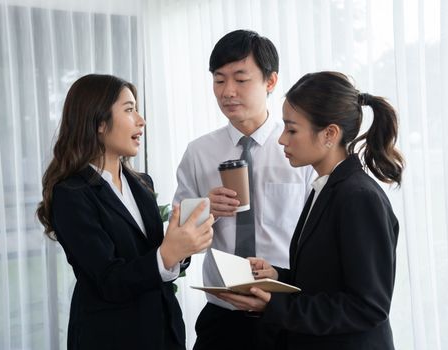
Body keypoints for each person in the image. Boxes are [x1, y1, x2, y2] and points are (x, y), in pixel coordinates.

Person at [218, 71, 404, 350]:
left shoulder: (358, 197)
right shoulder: (325, 187)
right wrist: (278, 277)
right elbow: (326, 281)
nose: (282, 139)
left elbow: (368, 306)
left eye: (292, 129)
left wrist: (276, 305)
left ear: (329, 134)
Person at [36, 74, 214, 350]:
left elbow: (155, 259)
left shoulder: (142, 183)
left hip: (164, 334)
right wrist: (167, 253)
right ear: (99, 123)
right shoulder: (71, 194)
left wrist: (184, 244)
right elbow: (109, 280)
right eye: (129, 110)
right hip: (111, 337)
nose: (141, 120)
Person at [173, 30, 314, 349]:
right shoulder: (199, 153)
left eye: (240, 78)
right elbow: (180, 242)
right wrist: (204, 209)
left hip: (288, 315)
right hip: (223, 319)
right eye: (219, 80)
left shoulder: (298, 149)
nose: (228, 91)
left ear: (271, 81)